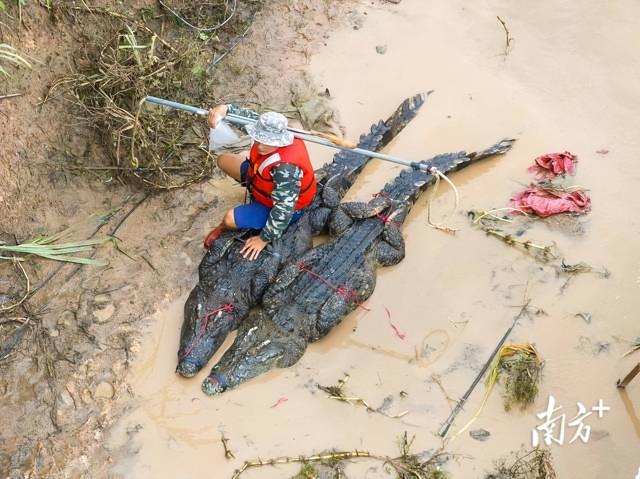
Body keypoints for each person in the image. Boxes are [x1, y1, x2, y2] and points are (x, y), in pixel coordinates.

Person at [204, 104, 317, 260]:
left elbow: (284, 210)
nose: (261, 146)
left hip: (280, 206)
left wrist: (263, 239)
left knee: (229, 219)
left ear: (280, 140)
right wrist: (224, 109)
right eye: (258, 139)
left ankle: (222, 228)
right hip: (260, 180)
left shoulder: (286, 170)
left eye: (267, 142)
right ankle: (253, 195)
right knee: (223, 160)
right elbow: (243, 117)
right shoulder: (268, 128)